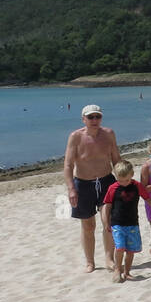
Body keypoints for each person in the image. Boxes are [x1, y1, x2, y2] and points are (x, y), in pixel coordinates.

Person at [63, 105, 121, 272]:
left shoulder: (109, 134)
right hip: (83, 184)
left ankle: (109, 258)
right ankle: (90, 262)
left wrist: (123, 181)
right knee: (88, 226)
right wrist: (71, 189)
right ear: (84, 119)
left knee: (108, 221)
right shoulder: (75, 137)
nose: (94, 120)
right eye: (91, 117)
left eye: (97, 117)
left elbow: (116, 158)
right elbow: (68, 165)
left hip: (106, 182)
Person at [102, 161, 151, 283]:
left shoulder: (137, 186)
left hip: (133, 223)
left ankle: (127, 272)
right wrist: (106, 223)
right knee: (119, 248)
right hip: (117, 224)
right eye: (120, 180)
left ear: (132, 175)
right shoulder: (112, 188)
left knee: (130, 251)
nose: (123, 183)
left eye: (126, 180)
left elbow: (147, 198)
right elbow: (107, 206)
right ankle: (117, 270)